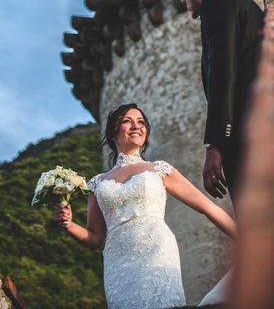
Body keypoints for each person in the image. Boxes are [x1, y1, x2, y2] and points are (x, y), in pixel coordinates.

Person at [54, 103, 237, 309]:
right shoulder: (96, 183)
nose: (136, 126)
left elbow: (207, 207)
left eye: (141, 122)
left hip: (156, 250)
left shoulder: (159, 170)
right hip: (117, 261)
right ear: (113, 131)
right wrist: (68, 224)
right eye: (127, 121)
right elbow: (95, 238)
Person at [175, 0, 264, 201]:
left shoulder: (215, 3)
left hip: (244, 133)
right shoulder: (246, 3)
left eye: (184, 1)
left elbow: (222, 71)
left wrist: (215, 144)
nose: (189, 10)